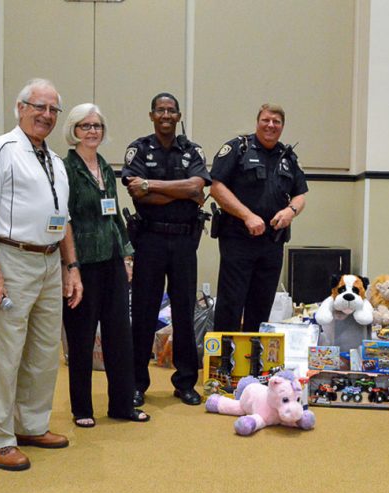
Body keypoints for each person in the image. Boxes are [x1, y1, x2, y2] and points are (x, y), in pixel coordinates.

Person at [0, 78, 83, 471]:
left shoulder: (56, 162)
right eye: (38, 107)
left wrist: (71, 267)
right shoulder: (1, 149)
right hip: (11, 259)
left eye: (52, 110)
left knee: (44, 352)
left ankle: (30, 425)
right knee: (4, 352)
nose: (45, 115)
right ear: (20, 107)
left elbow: (63, 220)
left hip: (49, 263)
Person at [62, 103, 149, 427]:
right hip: (82, 263)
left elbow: (113, 216)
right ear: (74, 130)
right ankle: (82, 409)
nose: (92, 131)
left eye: (97, 125)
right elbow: (64, 218)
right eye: (85, 126)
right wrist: (68, 266)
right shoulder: (66, 168)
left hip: (111, 258)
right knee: (82, 338)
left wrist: (127, 255)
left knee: (119, 336)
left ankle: (122, 405)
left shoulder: (102, 165)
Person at [121, 93, 210, 406]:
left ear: (179, 115)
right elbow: (137, 195)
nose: (166, 115)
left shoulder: (192, 149)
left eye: (171, 110)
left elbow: (198, 187)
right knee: (144, 311)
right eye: (160, 110)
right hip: (150, 240)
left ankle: (185, 382)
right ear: (151, 115)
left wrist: (153, 185)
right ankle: (136, 384)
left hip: (186, 240)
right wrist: (182, 192)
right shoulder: (139, 149)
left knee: (185, 311)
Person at [210, 103, 307, 332]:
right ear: (257, 122)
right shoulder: (238, 148)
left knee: (262, 305)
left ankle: (252, 363)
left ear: (282, 126)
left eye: (277, 121)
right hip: (238, 239)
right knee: (231, 304)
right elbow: (215, 186)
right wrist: (247, 216)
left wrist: (290, 211)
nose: (271, 125)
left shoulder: (288, 156)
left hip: (272, 242)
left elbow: (300, 194)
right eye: (266, 120)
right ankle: (224, 364)